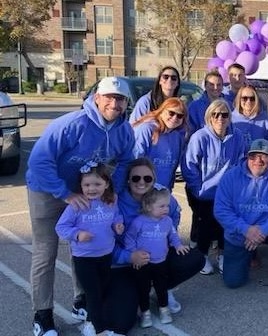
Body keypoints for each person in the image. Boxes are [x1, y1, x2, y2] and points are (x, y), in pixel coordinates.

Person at [26, 76, 134, 336]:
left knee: (84, 245)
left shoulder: (124, 130)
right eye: (109, 96)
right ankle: (42, 316)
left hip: (83, 192)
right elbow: (39, 161)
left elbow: (126, 161)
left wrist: (113, 192)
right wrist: (64, 194)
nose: (114, 103)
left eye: (120, 99)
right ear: (97, 98)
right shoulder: (73, 124)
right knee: (46, 252)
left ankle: (80, 300)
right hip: (46, 189)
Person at [114, 158, 204, 334]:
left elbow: (173, 217)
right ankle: (139, 295)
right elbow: (106, 243)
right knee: (121, 322)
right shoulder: (116, 201)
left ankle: (162, 287)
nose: (141, 182)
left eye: (147, 178)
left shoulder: (161, 195)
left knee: (194, 258)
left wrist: (171, 241)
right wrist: (130, 256)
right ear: (127, 179)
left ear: (153, 180)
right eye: (136, 178)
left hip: (156, 258)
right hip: (125, 263)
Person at [214, 139, 268, 301]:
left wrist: (261, 231)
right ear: (247, 157)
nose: (258, 160)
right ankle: (250, 254)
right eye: (253, 156)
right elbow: (221, 211)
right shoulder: (230, 177)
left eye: (264, 156)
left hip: (267, 230)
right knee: (233, 282)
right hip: (240, 232)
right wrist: (246, 230)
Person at [55, 162, 125, 336]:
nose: (91, 189)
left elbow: (117, 215)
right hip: (84, 258)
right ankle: (98, 329)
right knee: (93, 293)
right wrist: (78, 234)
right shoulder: (77, 205)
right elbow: (61, 227)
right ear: (81, 185)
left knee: (102, 289)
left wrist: (118, 224)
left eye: (97, 184)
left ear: (107, 184)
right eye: (86, 185)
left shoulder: (111, 199)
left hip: (106, 254)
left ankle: (91, 320)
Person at [182, 98, 246, 275]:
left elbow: (241, 162)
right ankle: (201, 256)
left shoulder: (237, 136)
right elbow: (189, 166)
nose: (220, 118)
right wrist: (199, 189)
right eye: (215, 115)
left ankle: (222, 255)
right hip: (202, 191)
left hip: (226, 191)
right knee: (206, 222)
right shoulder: (200, 137)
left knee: (226, 222)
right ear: (209, 117)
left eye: (224, 115)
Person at [124, 188, 190, 328]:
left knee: (162, 286)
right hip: (143, 263)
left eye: (167, 205)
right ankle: (145, 311)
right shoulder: (139, 222)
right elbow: (129, 238)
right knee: (143, 288)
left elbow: (172, 235)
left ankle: (164, 308)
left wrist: (178, 245)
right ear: (148, 206)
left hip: (160, 261)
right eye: (161, 206)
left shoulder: (167, 221)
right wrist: (134, 253)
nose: (166, 209)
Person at [132, 97, 188, 190]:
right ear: (162, 111)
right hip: (142, 189)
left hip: (162, 191)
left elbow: (173, 168)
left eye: (179, 116)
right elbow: (134, 160)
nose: (174, 118)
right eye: (171, 113)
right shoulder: (146, 130)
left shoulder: (177, 137)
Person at [231, 84, 268, 149]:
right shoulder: (231, 119)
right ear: (239, 99)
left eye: (252, 98)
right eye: (245, 98)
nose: (248, 101)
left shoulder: (265, 120)